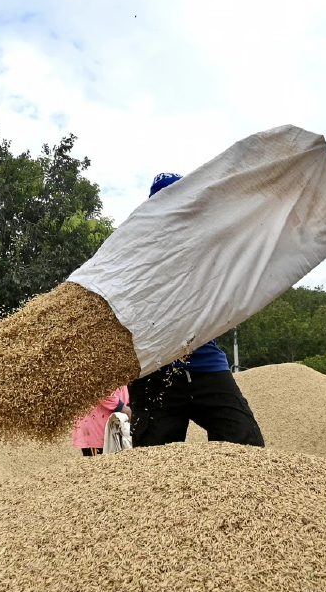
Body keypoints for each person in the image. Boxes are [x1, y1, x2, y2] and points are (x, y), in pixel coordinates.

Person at [127, 173, 266, 447]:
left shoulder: (207, 246)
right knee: (149, 470)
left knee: (247, 447)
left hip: (206, 366)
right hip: (153, 375)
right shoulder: (134, 254)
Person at [72, 386, 130, 457]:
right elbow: (99, 389)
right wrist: (124, 408)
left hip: (113, 424)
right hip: (96, 426)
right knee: (97, 464)